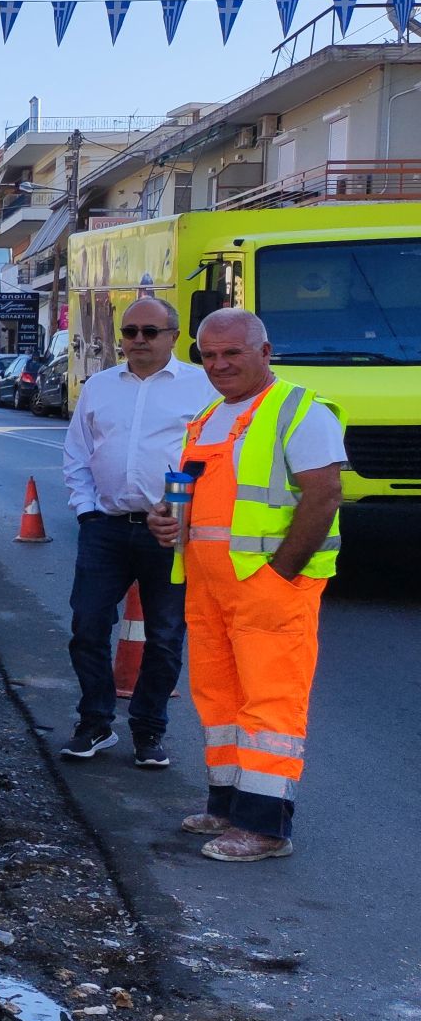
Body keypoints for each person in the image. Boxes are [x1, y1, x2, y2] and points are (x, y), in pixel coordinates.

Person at [145, 309, 344, 863]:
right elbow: (188, 499)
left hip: (268, 588)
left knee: (270, 706)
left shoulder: (296, 410)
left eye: (232, 352)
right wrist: (166, 520)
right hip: (209, 589)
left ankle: (265, 829)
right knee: (220, 699)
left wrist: (279, 575)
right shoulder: (209, 416)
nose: (219, 364)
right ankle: (228, 806)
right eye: (208, 355)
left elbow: (324, 494)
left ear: (264, 351)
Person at [58, 296, 213, 765]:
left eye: (150, 331)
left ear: (175, 336)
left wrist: (187, 514)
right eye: (130, 333)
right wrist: (86, 512)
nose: (138, 341)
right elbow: (77, 455)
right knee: (87, 627)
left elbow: (215, 459)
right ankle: (95, 723)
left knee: (165, 637)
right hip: (105, 529)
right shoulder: (100, 386)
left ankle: (148, 730)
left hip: (169, 535)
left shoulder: (202, 388)